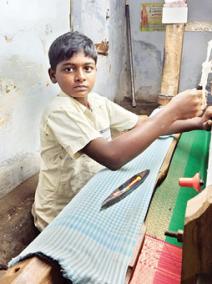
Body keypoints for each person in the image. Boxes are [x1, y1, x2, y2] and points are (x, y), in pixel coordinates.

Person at [32, 31, 212, 231]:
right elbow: (113, 157)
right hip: (60, 212)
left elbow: (144, 124)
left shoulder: (97, 102)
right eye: (69, 69)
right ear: (52, 75)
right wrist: (171, 111)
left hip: (91, 193)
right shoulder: (60, 111)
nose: (80, 77)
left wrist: (197, 122)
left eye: (87, 68)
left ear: (95, 71)